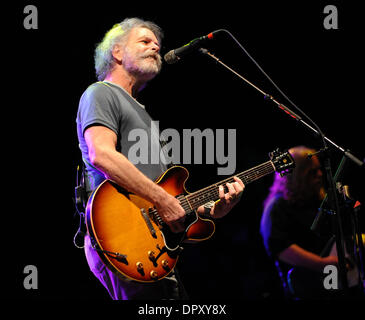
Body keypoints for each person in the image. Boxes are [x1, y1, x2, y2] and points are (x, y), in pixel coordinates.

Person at [76, 18, 244, 300]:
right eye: (144, 41)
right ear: (117, 52)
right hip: (122, 238)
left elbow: (166, 201)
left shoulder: (140, 111)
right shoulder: (101, 93)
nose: (156, 46)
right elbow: (101, 154)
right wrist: (163, 200)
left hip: (151, 246)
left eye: (157, 44)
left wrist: (210, 210)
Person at [260, 146, 339, 299]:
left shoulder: (319, 199)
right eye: (312, 172)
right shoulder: (277, 206)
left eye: (318, 169)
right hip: (303, 287)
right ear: (295, 175)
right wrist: (324, 263)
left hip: (331, 283)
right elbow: (280, 248)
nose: (320, 174)